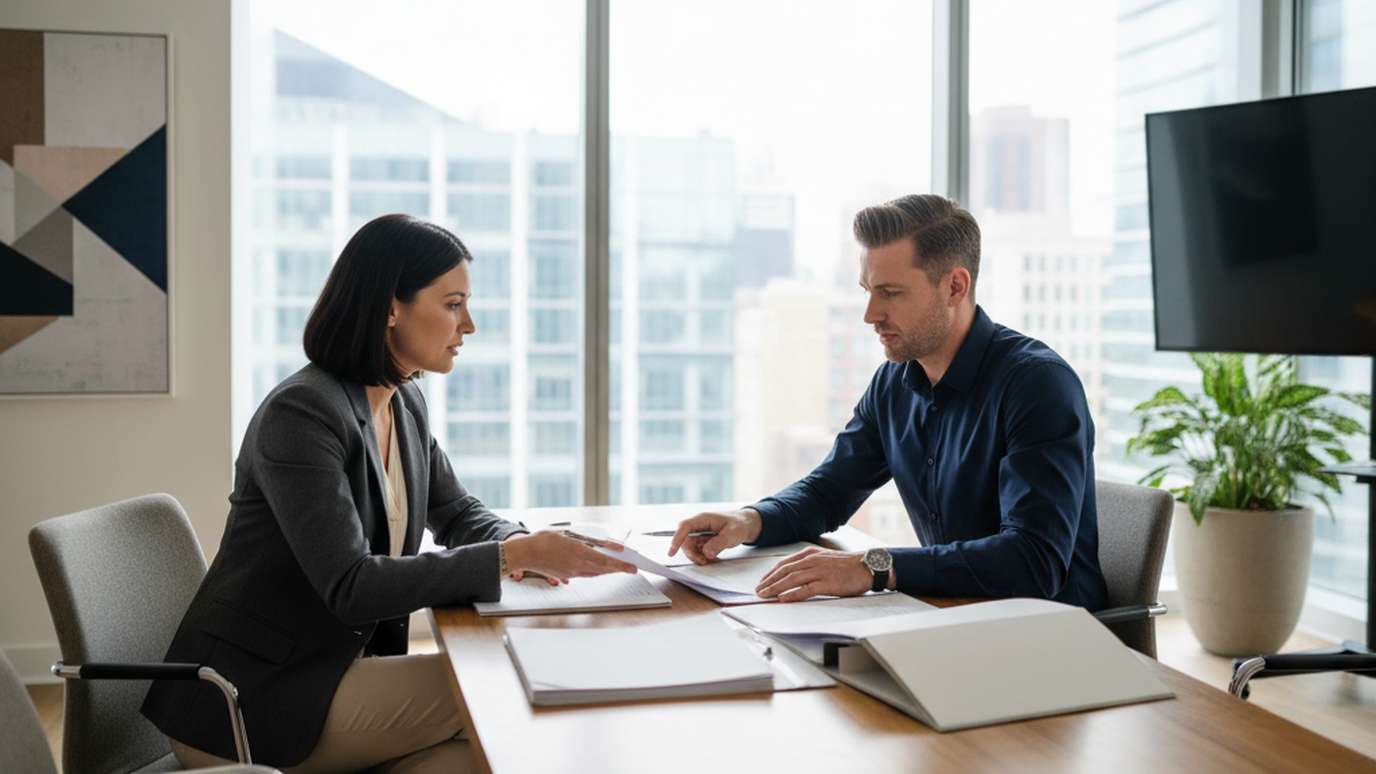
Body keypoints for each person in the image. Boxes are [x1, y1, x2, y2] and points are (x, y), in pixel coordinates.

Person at [142, 214, 636, 772]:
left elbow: (456, 510)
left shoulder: (401, 403)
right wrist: (510, 558)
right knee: (497, 691)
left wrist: (528, 543)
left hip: (327, 672)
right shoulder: (301, 414)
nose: (468, 324)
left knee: (476, 756)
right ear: (390, 308)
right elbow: (351, 585)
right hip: (251, 701)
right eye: (452, 304)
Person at [669, 194, 1108, 610]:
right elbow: (828, 491)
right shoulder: (894, 382)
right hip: (951, 617)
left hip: (1051, 641)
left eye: (891, 293)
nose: (871, 314)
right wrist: (749, 521)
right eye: (868, 290)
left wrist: (873, 568)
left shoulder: (1037, 385)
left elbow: (1033, 563)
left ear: (955, 286)